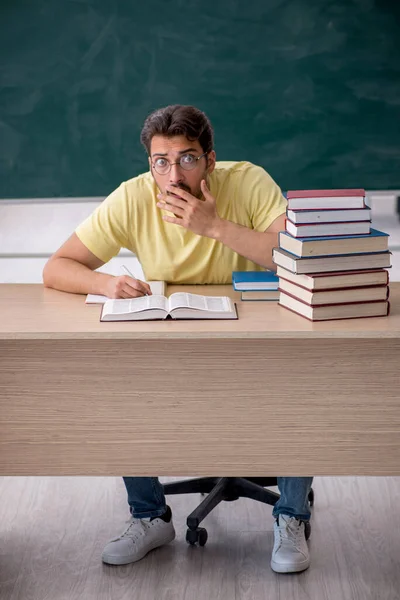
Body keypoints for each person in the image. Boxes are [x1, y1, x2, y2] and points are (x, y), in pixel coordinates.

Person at [43, 104, 313, 574]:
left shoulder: (248, 181)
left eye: (187, 159)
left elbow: (291, 255)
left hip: (256, 343)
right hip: (174, 345)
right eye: (160, 162)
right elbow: (57, 267)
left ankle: (291, 516)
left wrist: (212, 227)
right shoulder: (133, 197)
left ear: (210, 160)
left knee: (303, 374)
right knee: (121, 379)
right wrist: (107, 283)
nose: (173, 175)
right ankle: (150, 517)